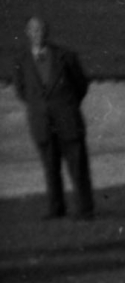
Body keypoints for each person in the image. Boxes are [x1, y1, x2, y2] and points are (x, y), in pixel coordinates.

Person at [11, 17, 94, 221]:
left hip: (67, 119)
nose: (38, 34)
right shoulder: (21, 61)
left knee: (77, 167)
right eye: (34, 31)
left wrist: (65, 105)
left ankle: (84, 209)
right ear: (28, 33)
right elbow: (22, 92)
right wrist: (41, 107)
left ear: (47, 33)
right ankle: (56, 208)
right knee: (50, 167)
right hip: (42, 122)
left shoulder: (65, 56)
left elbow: (80, 85)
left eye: (41, 30)